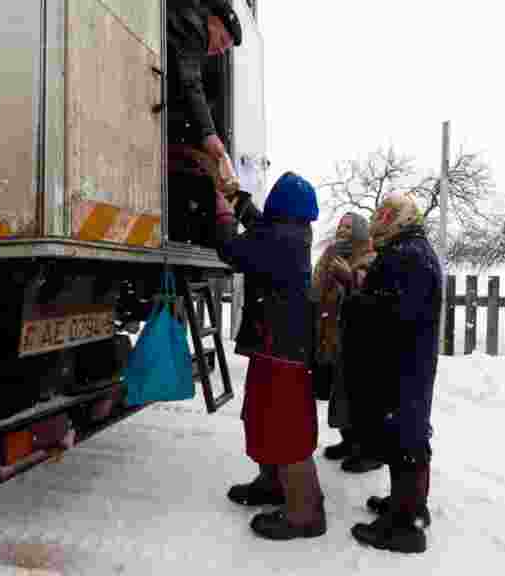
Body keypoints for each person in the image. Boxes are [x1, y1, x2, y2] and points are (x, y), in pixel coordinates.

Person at [212, 172, 326, 540]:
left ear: (280, 206)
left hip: (282, 351)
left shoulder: (281, 240)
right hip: (278, 346)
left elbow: (234, 250)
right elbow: (260, 226)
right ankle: (273, 484)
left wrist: (223, 215)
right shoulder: (290, 233)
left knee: (286, 429)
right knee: (263, 417)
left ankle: (304, 514)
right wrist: (240, 200)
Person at [344, 194, 441, 554]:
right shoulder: (411, 249)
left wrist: (354, 291)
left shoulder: (407, 255)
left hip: (399, 363)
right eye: (379, 212)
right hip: (409, 361)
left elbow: (389, 313)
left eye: (387, 213)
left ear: (402, 217)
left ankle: (402, 528)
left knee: (404, 440)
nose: (380, 219)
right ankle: (411, 507)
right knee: (411, 435)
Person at [166, 0, 243, 247]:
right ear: (214, 21)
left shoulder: (184, 22)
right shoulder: (193, 28)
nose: (220, 51)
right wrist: (209, 134)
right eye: (222, 41)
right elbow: (191, 84)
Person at [310, 213, 382, 474]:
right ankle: (349, 441)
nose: (342, 230)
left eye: (349, 227)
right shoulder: (331, 253)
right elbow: (316, 289)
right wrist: (328, 264)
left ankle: (368, 450)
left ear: (361, 231)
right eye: (340, 226)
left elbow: (367, 291)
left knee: (359, 395)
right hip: (333, 333)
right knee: (339, 392)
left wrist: (347, 276)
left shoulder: (370, 257)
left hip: (360, 338)